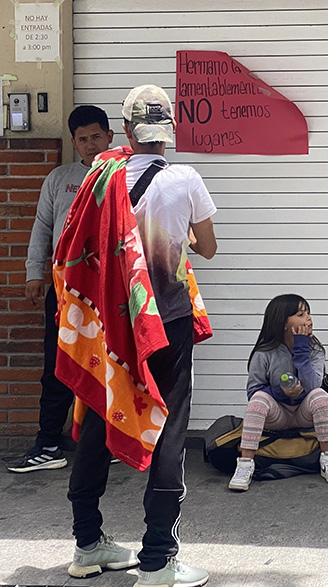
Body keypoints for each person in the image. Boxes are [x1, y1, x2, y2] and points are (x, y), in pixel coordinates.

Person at [65, 86, 217, 587]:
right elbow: (207, 248)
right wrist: (177, 235)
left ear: (127, 131)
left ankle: (87, 544)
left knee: (97, 418)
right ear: (170, 130)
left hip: (109, 324)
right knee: (169, 430)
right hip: (164, 324)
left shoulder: (99, 178)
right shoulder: (185, 178)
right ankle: (158, 559)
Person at [6, 106, 113, 474]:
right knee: (58, 365)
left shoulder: (122, 176)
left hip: (109, 291)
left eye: (96, 136)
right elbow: (42, 228)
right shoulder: (59, 178)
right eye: (82, 139)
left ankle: (109, 441)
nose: (90, 144)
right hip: (65, 292)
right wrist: (33, 273)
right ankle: (49, 443)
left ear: (110, 136)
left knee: (110, 366)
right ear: (73, 142)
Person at [229, 294, 328, 491]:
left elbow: (313, 385)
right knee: (258, 399)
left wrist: (301, 349)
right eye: (300, 314)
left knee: (321, 396)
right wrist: (281, 393)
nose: (308, 319)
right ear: (282, 322)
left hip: (303, 414)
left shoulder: (315, 350)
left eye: (308, 313)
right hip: (278, 415)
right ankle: (245, 464)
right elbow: (253, 391)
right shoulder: (264, 353)